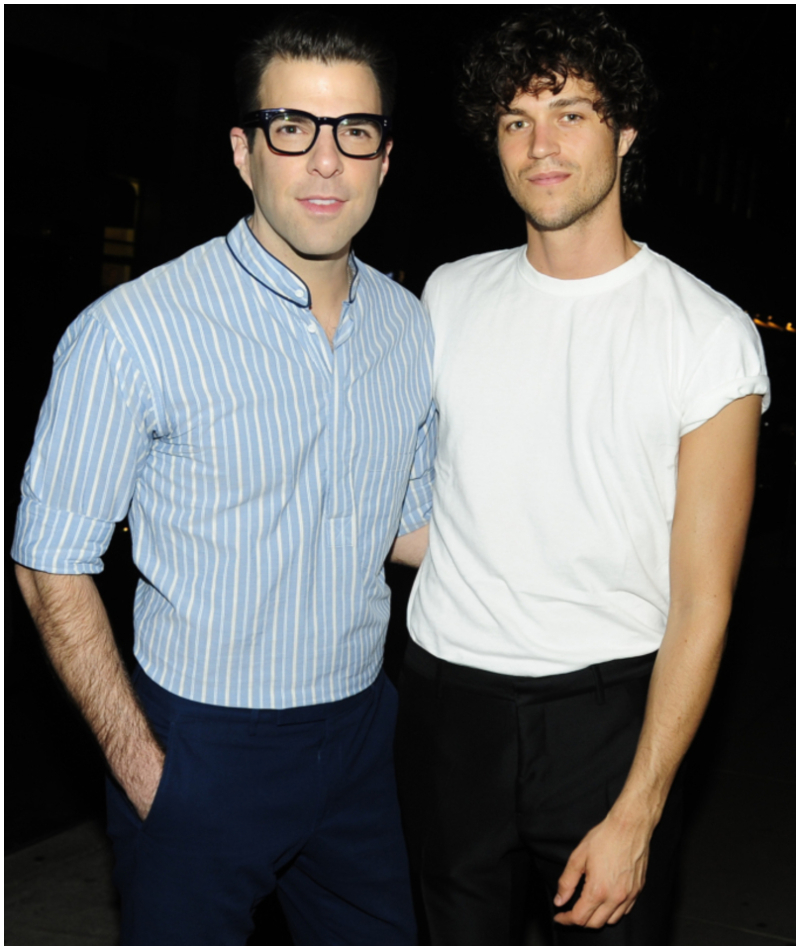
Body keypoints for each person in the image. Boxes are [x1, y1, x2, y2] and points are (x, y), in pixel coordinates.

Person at [13, 14, 434, 947]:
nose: (326, 161)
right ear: (244, 152)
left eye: (354, 131)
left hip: (365, 734)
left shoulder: (410, 327)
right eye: (293, 127)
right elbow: (49, 564)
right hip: (203, 743)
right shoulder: (133, 330)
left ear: (385, 157)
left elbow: (409, 531)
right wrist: (143, 764)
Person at [394, 7, 769, 945]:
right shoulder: (448, 294)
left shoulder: (705, 332)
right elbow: (440, 508)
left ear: (625, 132)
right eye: (516, 120)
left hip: (604, 716)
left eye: (570, 112)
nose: (540, 144)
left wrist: (638, 809)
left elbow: (703, 600)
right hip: (448, 703)